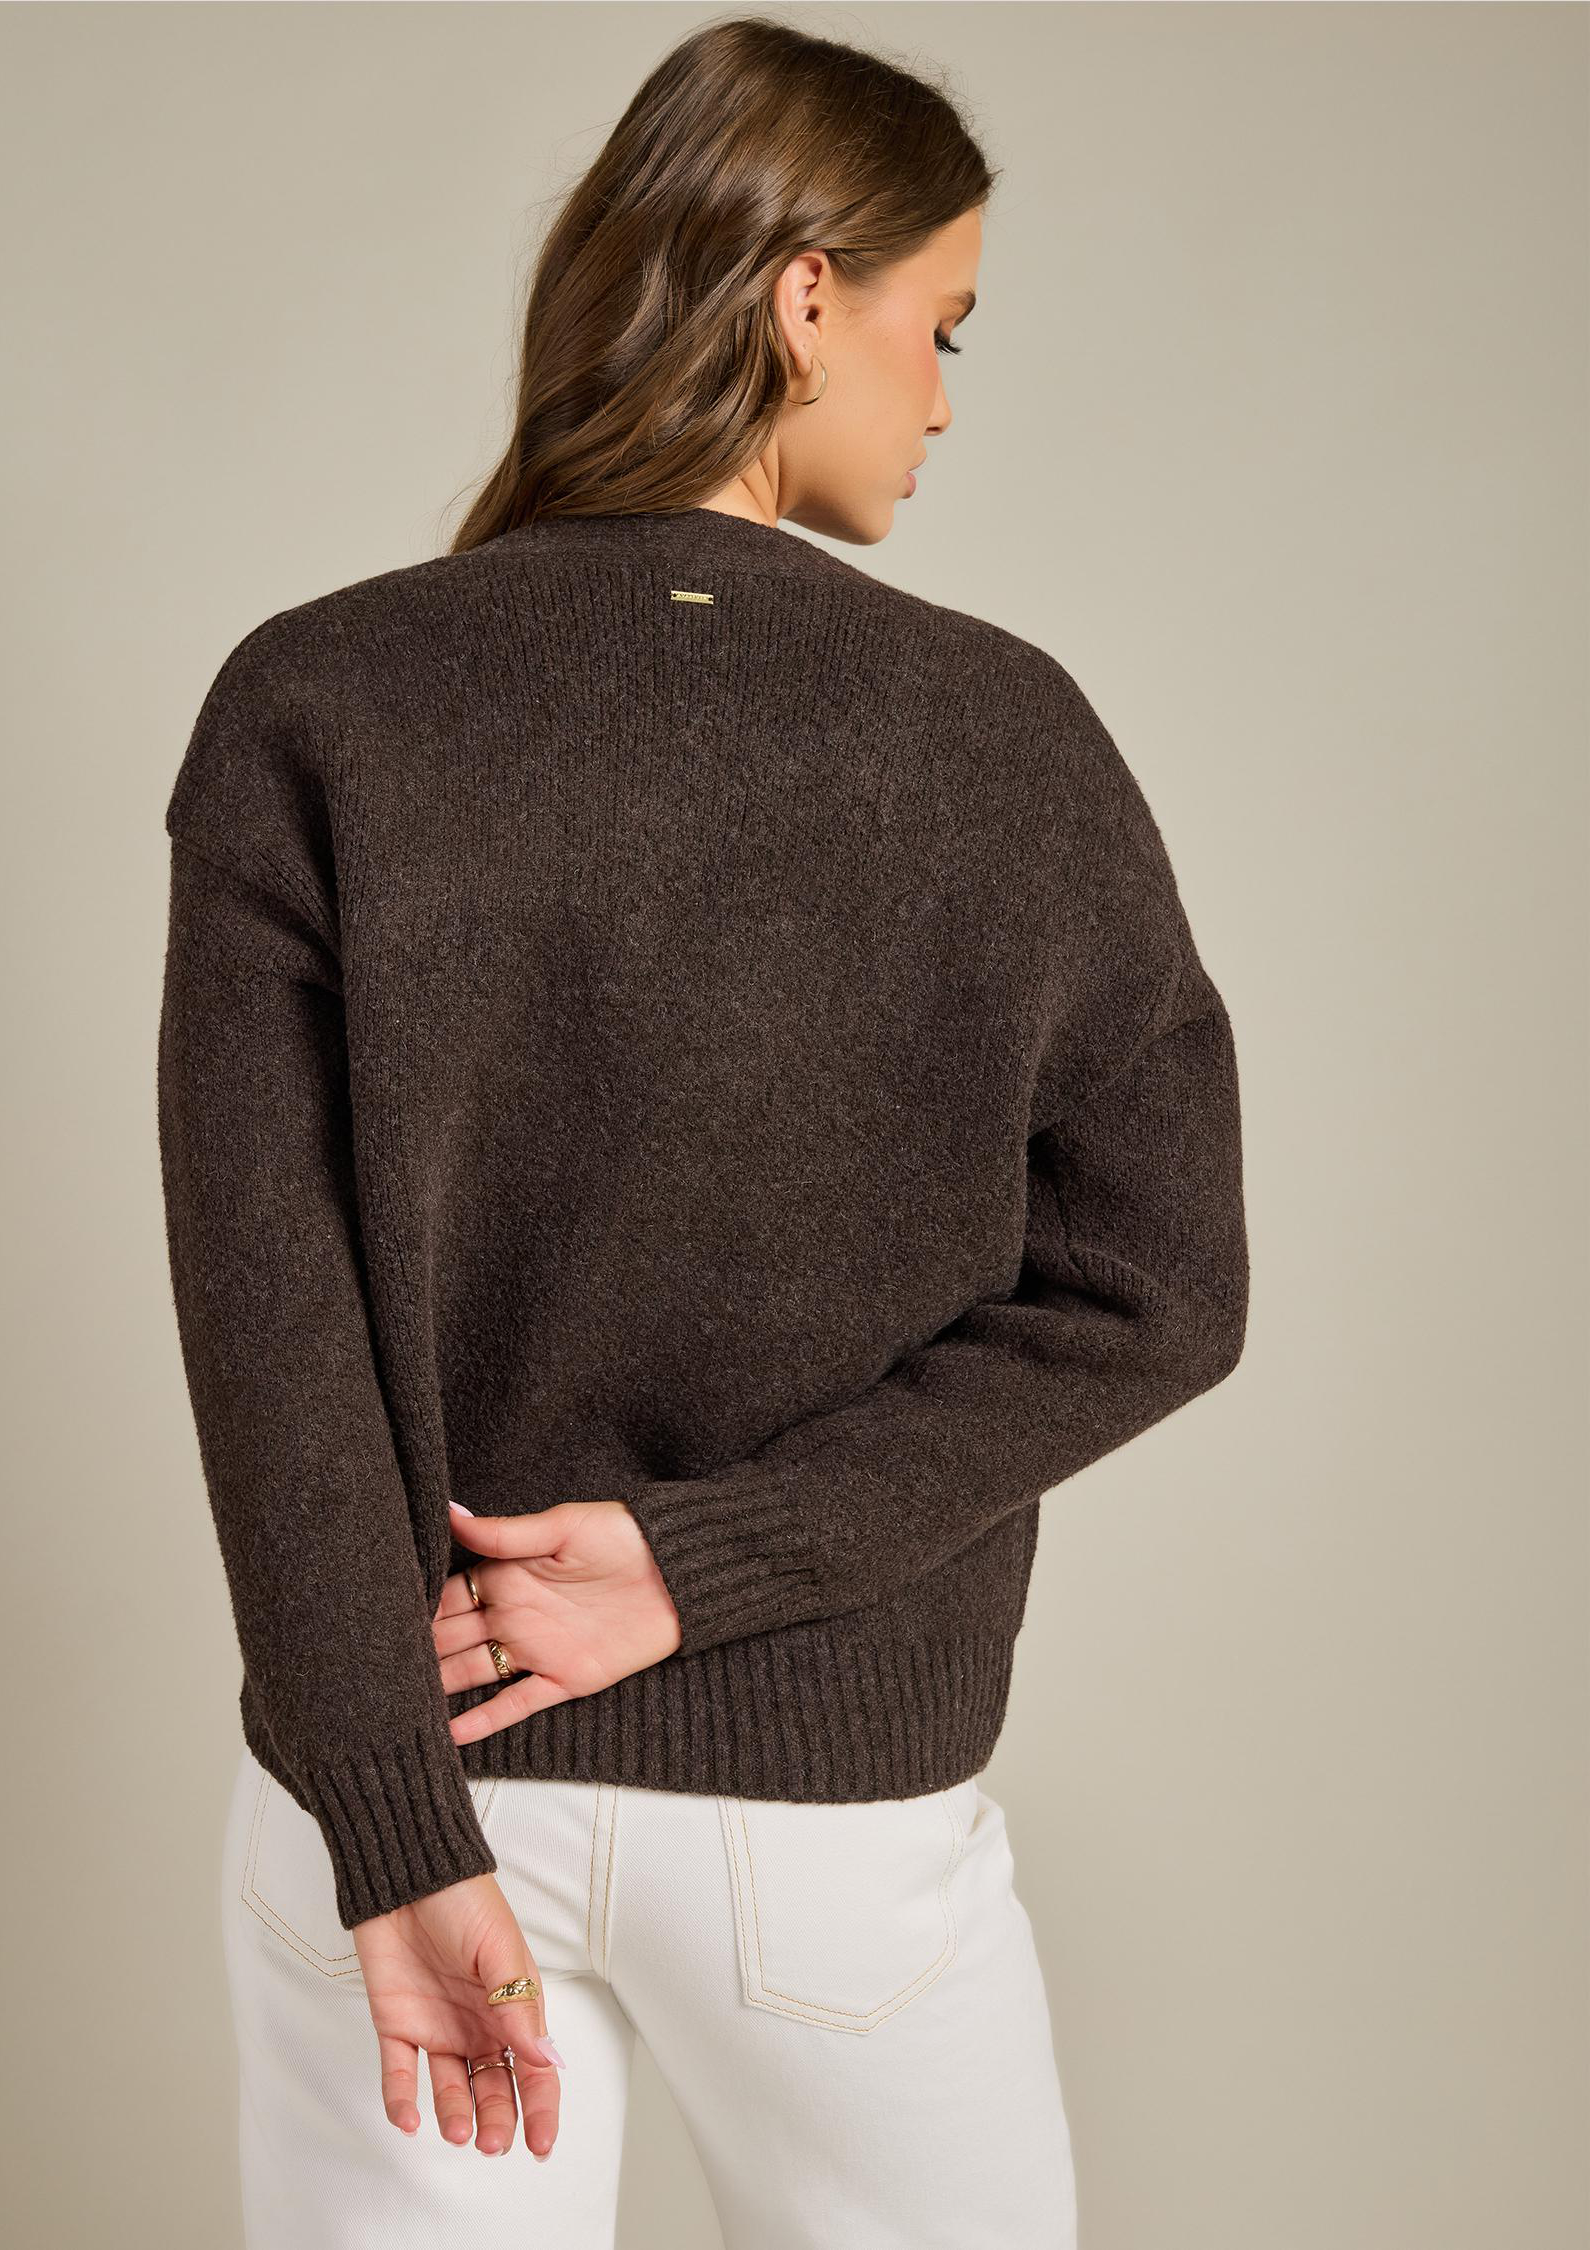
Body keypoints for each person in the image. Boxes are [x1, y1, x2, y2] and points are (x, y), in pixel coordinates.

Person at [155, 17, 1249, 2248]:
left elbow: (270, 1316)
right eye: (944, 326)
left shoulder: (318, 697)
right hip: (831, 1817)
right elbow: (1166, 1291)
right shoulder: (1008, 734)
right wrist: (709, 1563)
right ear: (805, 296)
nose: (946, 397)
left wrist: (389, 1813)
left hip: (423, 1779)